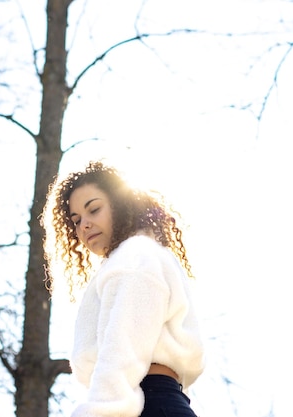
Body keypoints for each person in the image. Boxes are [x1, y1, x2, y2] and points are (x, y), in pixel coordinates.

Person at [42, 161, 205, 417]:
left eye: (94, 209)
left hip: (145, 403)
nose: (83, 225)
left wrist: (99, 411)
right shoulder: (140, 256)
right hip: (157, 402)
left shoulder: (135, 255)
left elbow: (123, 350)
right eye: (76, 220)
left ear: (120, 204)